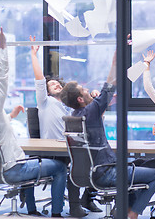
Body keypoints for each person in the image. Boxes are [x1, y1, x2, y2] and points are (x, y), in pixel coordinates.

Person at [0, 24, 67, 218]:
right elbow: (2, 77)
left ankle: (32, 211)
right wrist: (3, 46)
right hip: (13, 169)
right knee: (60, 168)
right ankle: (57, 214)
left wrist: (10, 116)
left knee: (26, 160)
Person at [60, 51, 155, 219]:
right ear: (80, 99)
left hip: (89, 174)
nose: (87, 89)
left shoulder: (76, 116)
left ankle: (122, 211)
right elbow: (110, 86)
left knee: (131, 166)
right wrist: (115, 62)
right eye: (84, 90)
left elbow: (105, 95)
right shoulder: (91, 111)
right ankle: (133, 213)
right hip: (106, 173)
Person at [29, 36, 101, 217]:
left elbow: (93, 114)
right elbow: (39, 79)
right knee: (74, 166)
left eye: (56, 83)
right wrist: (33, 55)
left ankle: (88, 198)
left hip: (70, 147)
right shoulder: (45, 102)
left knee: (97, 160)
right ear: (46, 91)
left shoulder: (70, 107)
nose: (54, 84)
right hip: (53, 149)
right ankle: (75, 206)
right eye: (50, 85)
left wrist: (92, 96)